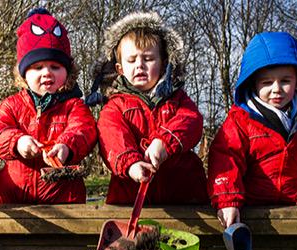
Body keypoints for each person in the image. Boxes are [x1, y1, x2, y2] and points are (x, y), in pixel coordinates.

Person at [207, 32, 297, 228]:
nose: (276, 89)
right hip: (249, 211)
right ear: (253, 83)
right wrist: (227, 200)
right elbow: (226, 158)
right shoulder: (240, 120)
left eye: (285, 81)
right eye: (267, 83)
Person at [89, 11, 208, 205]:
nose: (140, 65)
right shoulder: (114, 106)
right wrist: (131, 163)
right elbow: (111, 135)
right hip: (130, 196)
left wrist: (165, 142)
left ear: (163, 65)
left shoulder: (178, 98)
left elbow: (191, 120)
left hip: (184, 195)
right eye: (132, 60)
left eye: (148, 59)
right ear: (120, 69)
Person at [0, 8, 96, 204]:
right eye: (37, 67)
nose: (47, 73)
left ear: (67, 72)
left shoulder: (74, 106)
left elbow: (84, 131)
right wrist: (16, 143)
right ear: (23, 74)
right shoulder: (11, 105)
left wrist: (66, 146)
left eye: (55, 67)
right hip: (15, 200)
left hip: (64, 200)